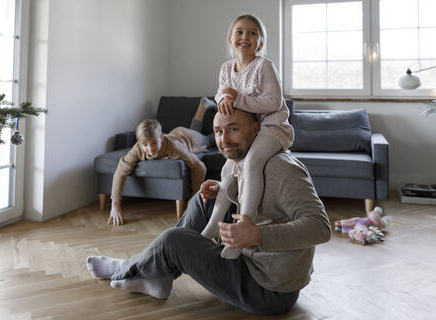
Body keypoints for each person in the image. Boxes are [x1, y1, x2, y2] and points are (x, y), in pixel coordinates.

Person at [86, 109, 331, 315]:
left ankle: (128, 268)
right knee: (204, 202)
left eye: (233, 129)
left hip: (269, 288)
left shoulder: (282, 168)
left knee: (174, 240)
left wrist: (258, 235)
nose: (224, 139)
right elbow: (258, 201)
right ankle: (157, 274)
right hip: (250, 260)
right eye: (218, 131)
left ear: (255, 130)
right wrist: (224, 190)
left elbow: (320, 226)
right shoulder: (242, 160)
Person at [200, 14, 295, 259]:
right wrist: (223, 99)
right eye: (240, 32)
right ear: (230, 39)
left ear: (260, 42)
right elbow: (221, 95)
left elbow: (274, 102)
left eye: (253, 33)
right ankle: (212, 225)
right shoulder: (225, 68)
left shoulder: (264, 66)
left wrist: (237, 98)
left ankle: (244, 229)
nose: (246, 37)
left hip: (272, 127)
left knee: (252, 162)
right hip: (247, 131)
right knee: (225, 171)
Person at [108, 100, 214, 226]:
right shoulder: (137, 149)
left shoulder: (174, 148)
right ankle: (203, 105)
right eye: (145, 145)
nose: (150, 149)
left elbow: (199, 167)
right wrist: (115, 205)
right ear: (138, 142)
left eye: (154, 143)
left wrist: (194, 195)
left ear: (161, 138)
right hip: (176, 133)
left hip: (190, 139)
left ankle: (205, 107)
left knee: (211, 139)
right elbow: (120, 171)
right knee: (197, 132)